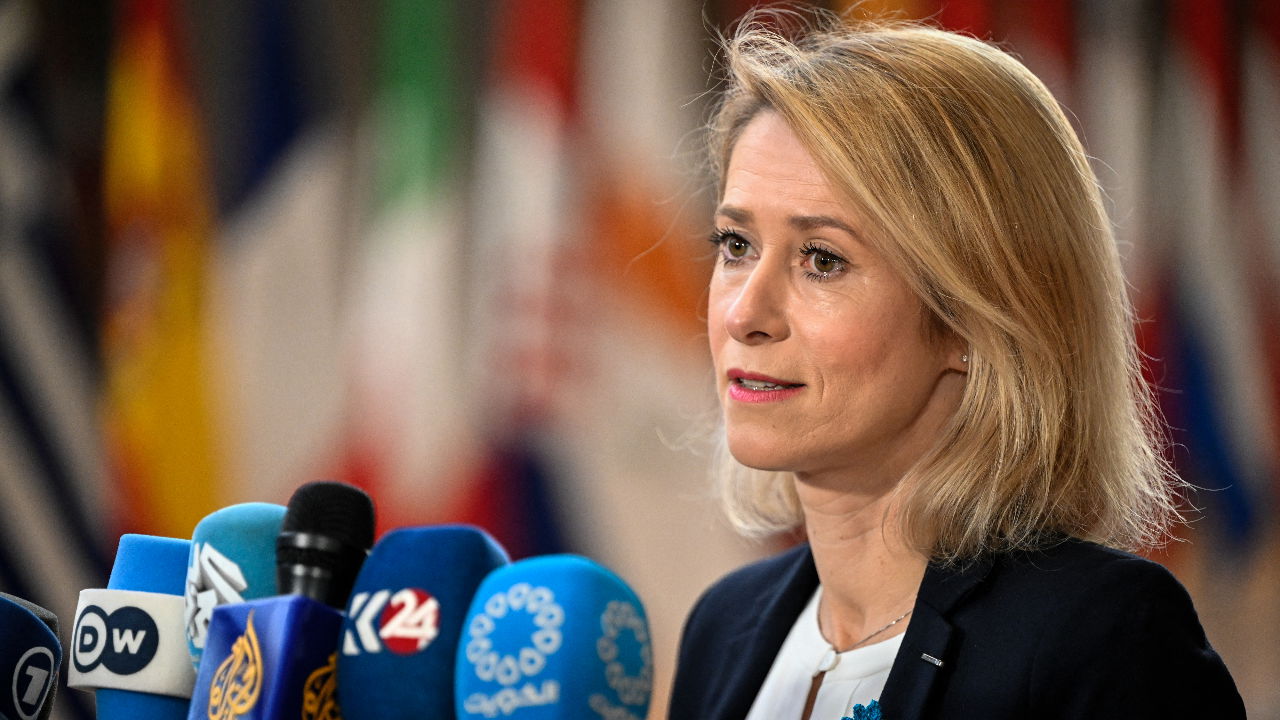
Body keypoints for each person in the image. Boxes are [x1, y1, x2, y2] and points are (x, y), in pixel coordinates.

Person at [668, 11, 1244, 720]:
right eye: (735, 245)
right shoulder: (723, 628)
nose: (742, 314)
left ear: (971, 316)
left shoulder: (1103, 637)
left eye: (822, 259)